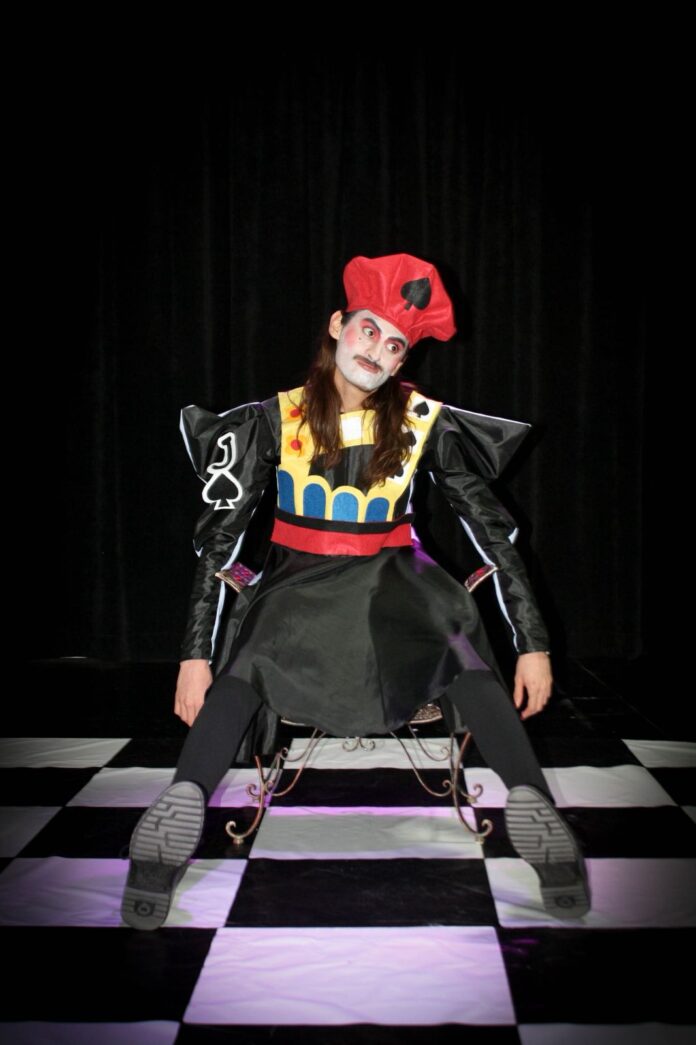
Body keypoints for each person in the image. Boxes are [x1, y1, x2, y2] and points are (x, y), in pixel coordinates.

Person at [121, 253, 590, 930]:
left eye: (396, 344)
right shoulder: (274, 419)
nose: (379, 350)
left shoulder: (422, 419)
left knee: (437, 647)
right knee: (307, 651)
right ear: (338, 325)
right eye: (370, 330)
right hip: (312, 585)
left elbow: (490, 532)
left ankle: (538, 815)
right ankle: (172, 823)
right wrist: (194, 656)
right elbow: (220, 542)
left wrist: (533, 644)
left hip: (390, 581)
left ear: (403, 361)